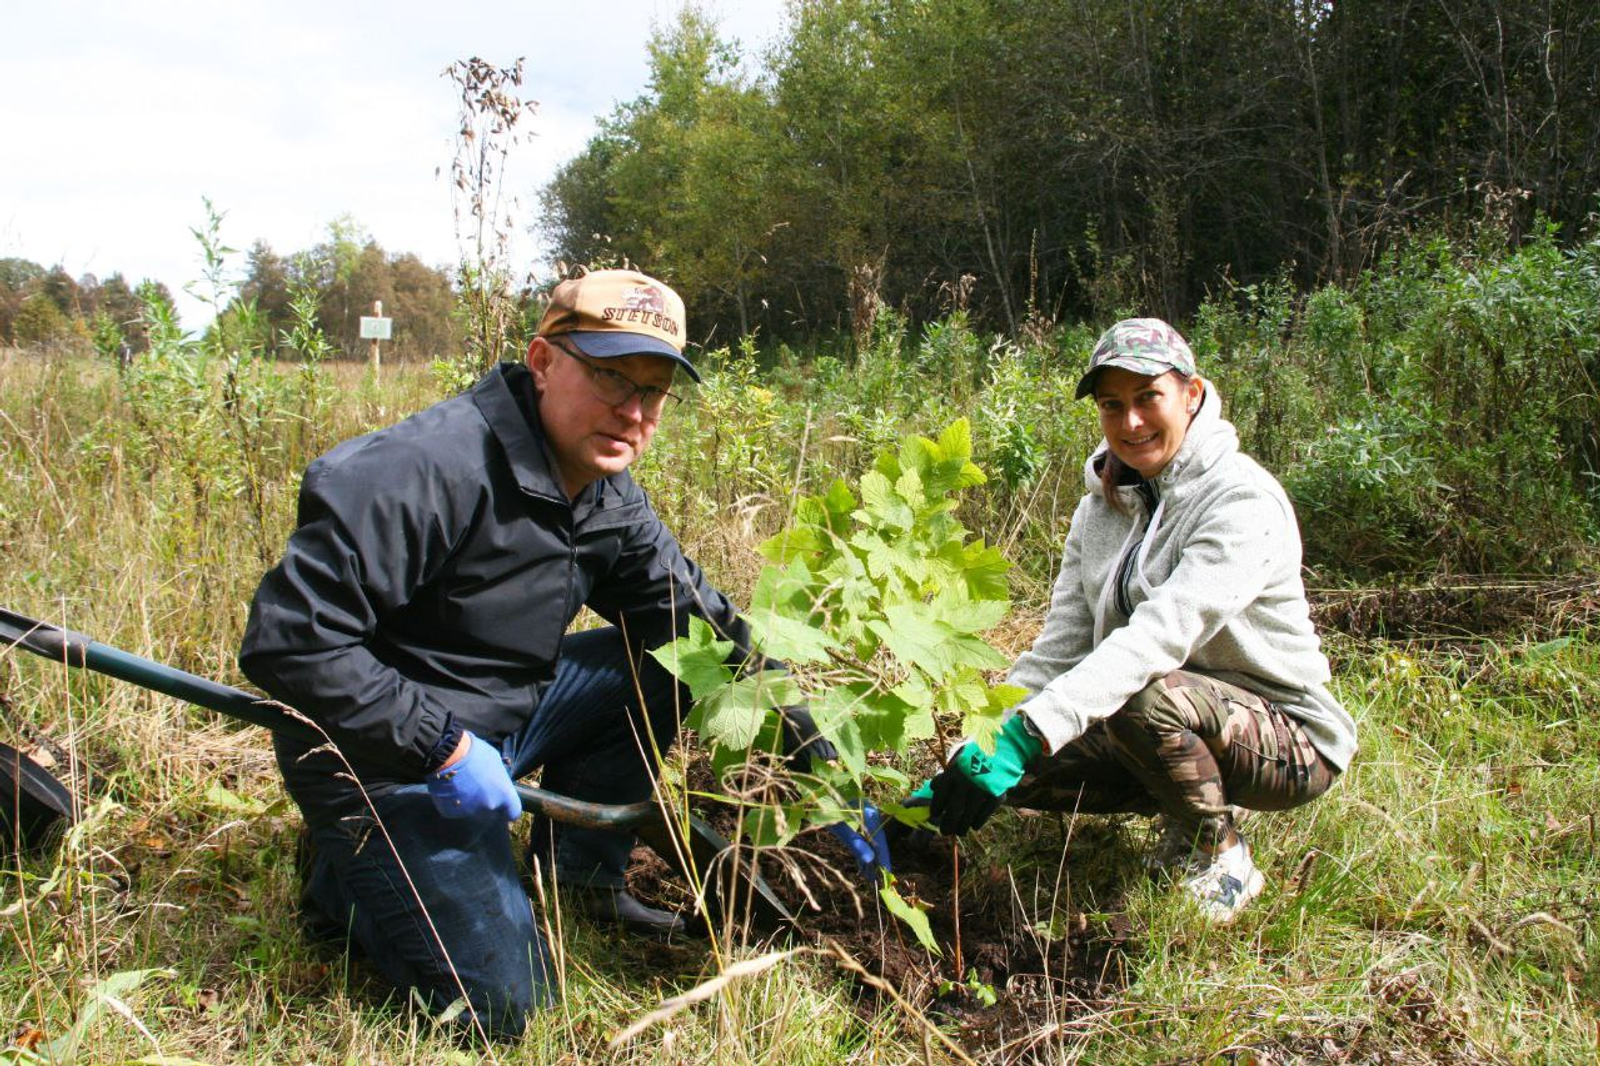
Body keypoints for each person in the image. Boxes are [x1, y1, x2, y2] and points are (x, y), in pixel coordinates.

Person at [238, 269, 831, 1037]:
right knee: (508, 1016)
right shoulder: (419, 472)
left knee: (670, 659)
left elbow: (689, 619)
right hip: (378, 754)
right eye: (612, 377)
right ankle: (347, 877)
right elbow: (291, 641)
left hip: (503, 716)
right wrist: (440, 746)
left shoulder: (605, 487)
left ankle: (580, 882)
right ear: (544, 361)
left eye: (654, 392)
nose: (634, 411)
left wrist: (796, 717)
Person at [916, 318, 1356, 922]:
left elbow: (1161, 634)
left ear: (1191, 395)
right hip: (1168, 709)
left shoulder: (1240, 500)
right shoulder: (1098, 510)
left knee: (1137, 696)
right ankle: (1183, 808)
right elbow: (1059, 649)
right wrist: (983, 746)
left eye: (1149, 397)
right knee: (1015, 770)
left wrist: (1028, 732)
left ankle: (1221, 853)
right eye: (1112, 404)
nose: (1131, 423)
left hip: (1288, 739)